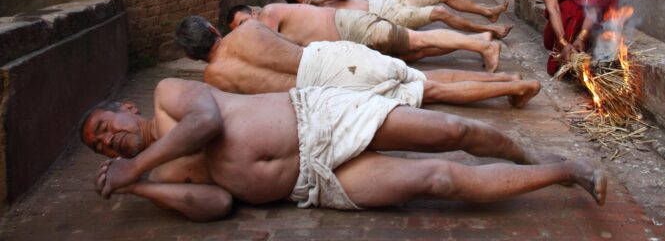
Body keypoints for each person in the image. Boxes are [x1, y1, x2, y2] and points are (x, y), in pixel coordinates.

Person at [82, 78, 607, 221]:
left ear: (127, 109)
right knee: (438, 180)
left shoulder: (168, 96)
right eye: (99, 146)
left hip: (322, 117)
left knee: (452, 131)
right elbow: (217, 206)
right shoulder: (159, 175)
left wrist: (137, 167)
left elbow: (206, 122)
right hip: (308, 184)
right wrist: (145, 186)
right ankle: (563, 171)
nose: (108, 140)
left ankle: (529, 155)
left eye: (105, 126)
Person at [176, 15, 536, 107]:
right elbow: (289, 45)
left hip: (324, 90)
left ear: (194, 57)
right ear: (212, 28)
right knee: (420, 78)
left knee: (431, 91)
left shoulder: (214, 78)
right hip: (331, 59)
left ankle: (516, 85)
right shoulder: (250, 29)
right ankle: (512, 81)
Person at [223, 0, 502, 69]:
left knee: (418, 39)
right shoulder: (265, 19)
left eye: (243, 22)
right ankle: (479, 42)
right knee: (415, 51)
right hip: (351, 38)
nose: (245, 31)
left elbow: (270, 46)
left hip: (351, 27)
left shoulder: (268, 13)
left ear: (252, 12)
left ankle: (482, 46)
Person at [279, 0, 512, 39]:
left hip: (389, 1)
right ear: (297, 4)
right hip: (386, 17)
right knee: (440, 12)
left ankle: (487, 12)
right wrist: (315, 7)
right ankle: (487, 30)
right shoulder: (311, 16)